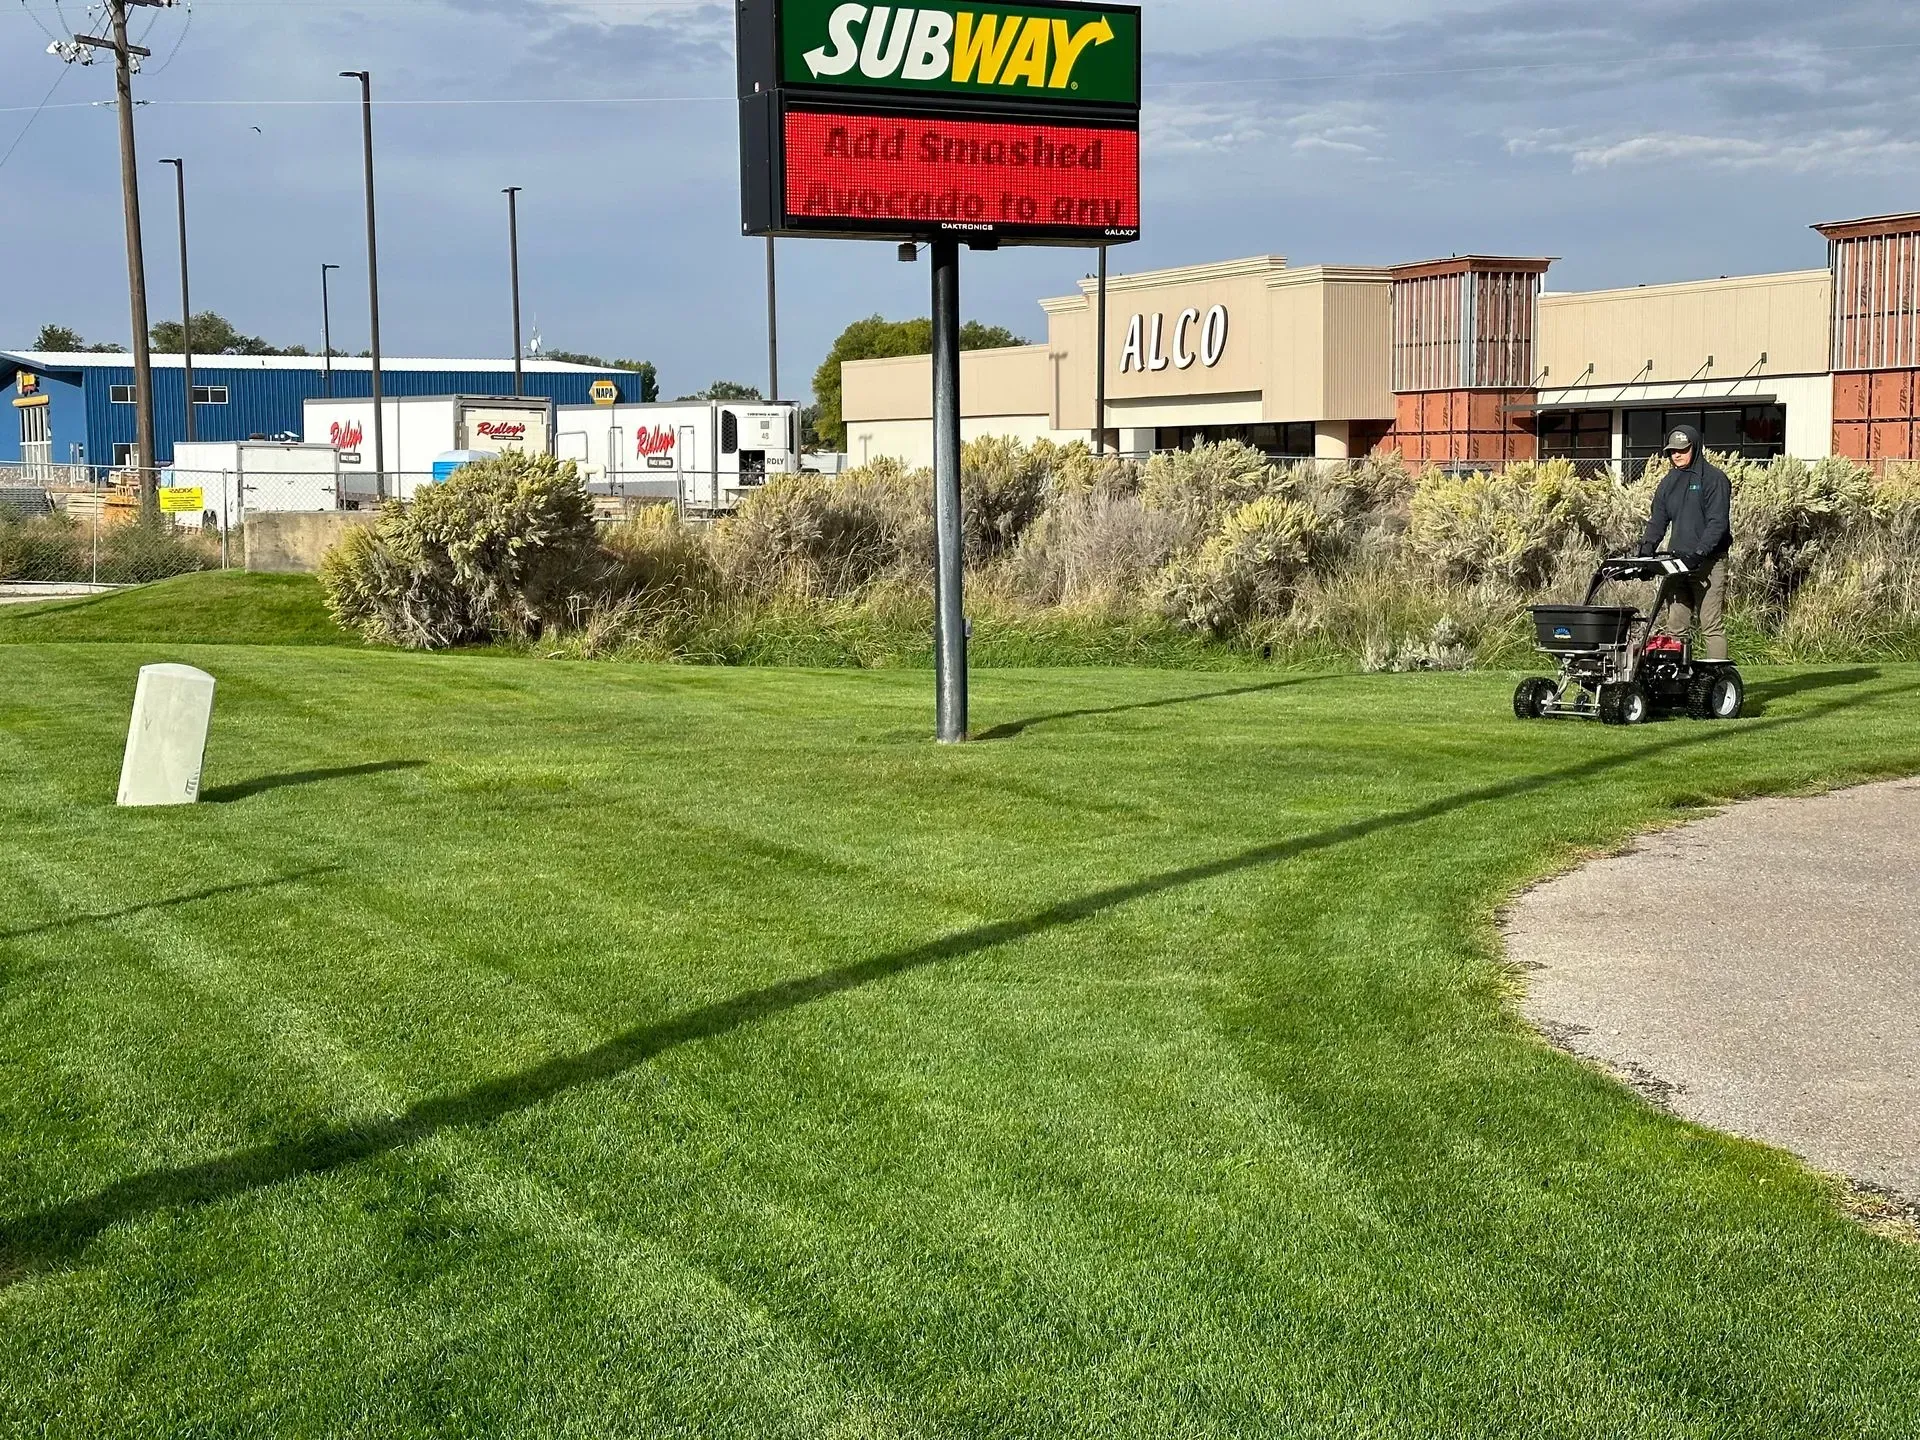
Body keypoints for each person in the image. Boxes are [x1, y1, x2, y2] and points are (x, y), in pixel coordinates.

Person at [1640, 423, 1733, 661]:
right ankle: (1678, 684)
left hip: (1709, 563)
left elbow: (1717, 523)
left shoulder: (1714, 479)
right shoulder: (1668, 482)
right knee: (1676, 626)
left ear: (1696, 447)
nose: (1677, 455)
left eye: (1683, 449)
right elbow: (1657, 520)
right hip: (1677, 564)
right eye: (1672, 451)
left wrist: (1699, 552)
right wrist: (1646, 549)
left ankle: (1718, 687)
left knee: (1710, 625)